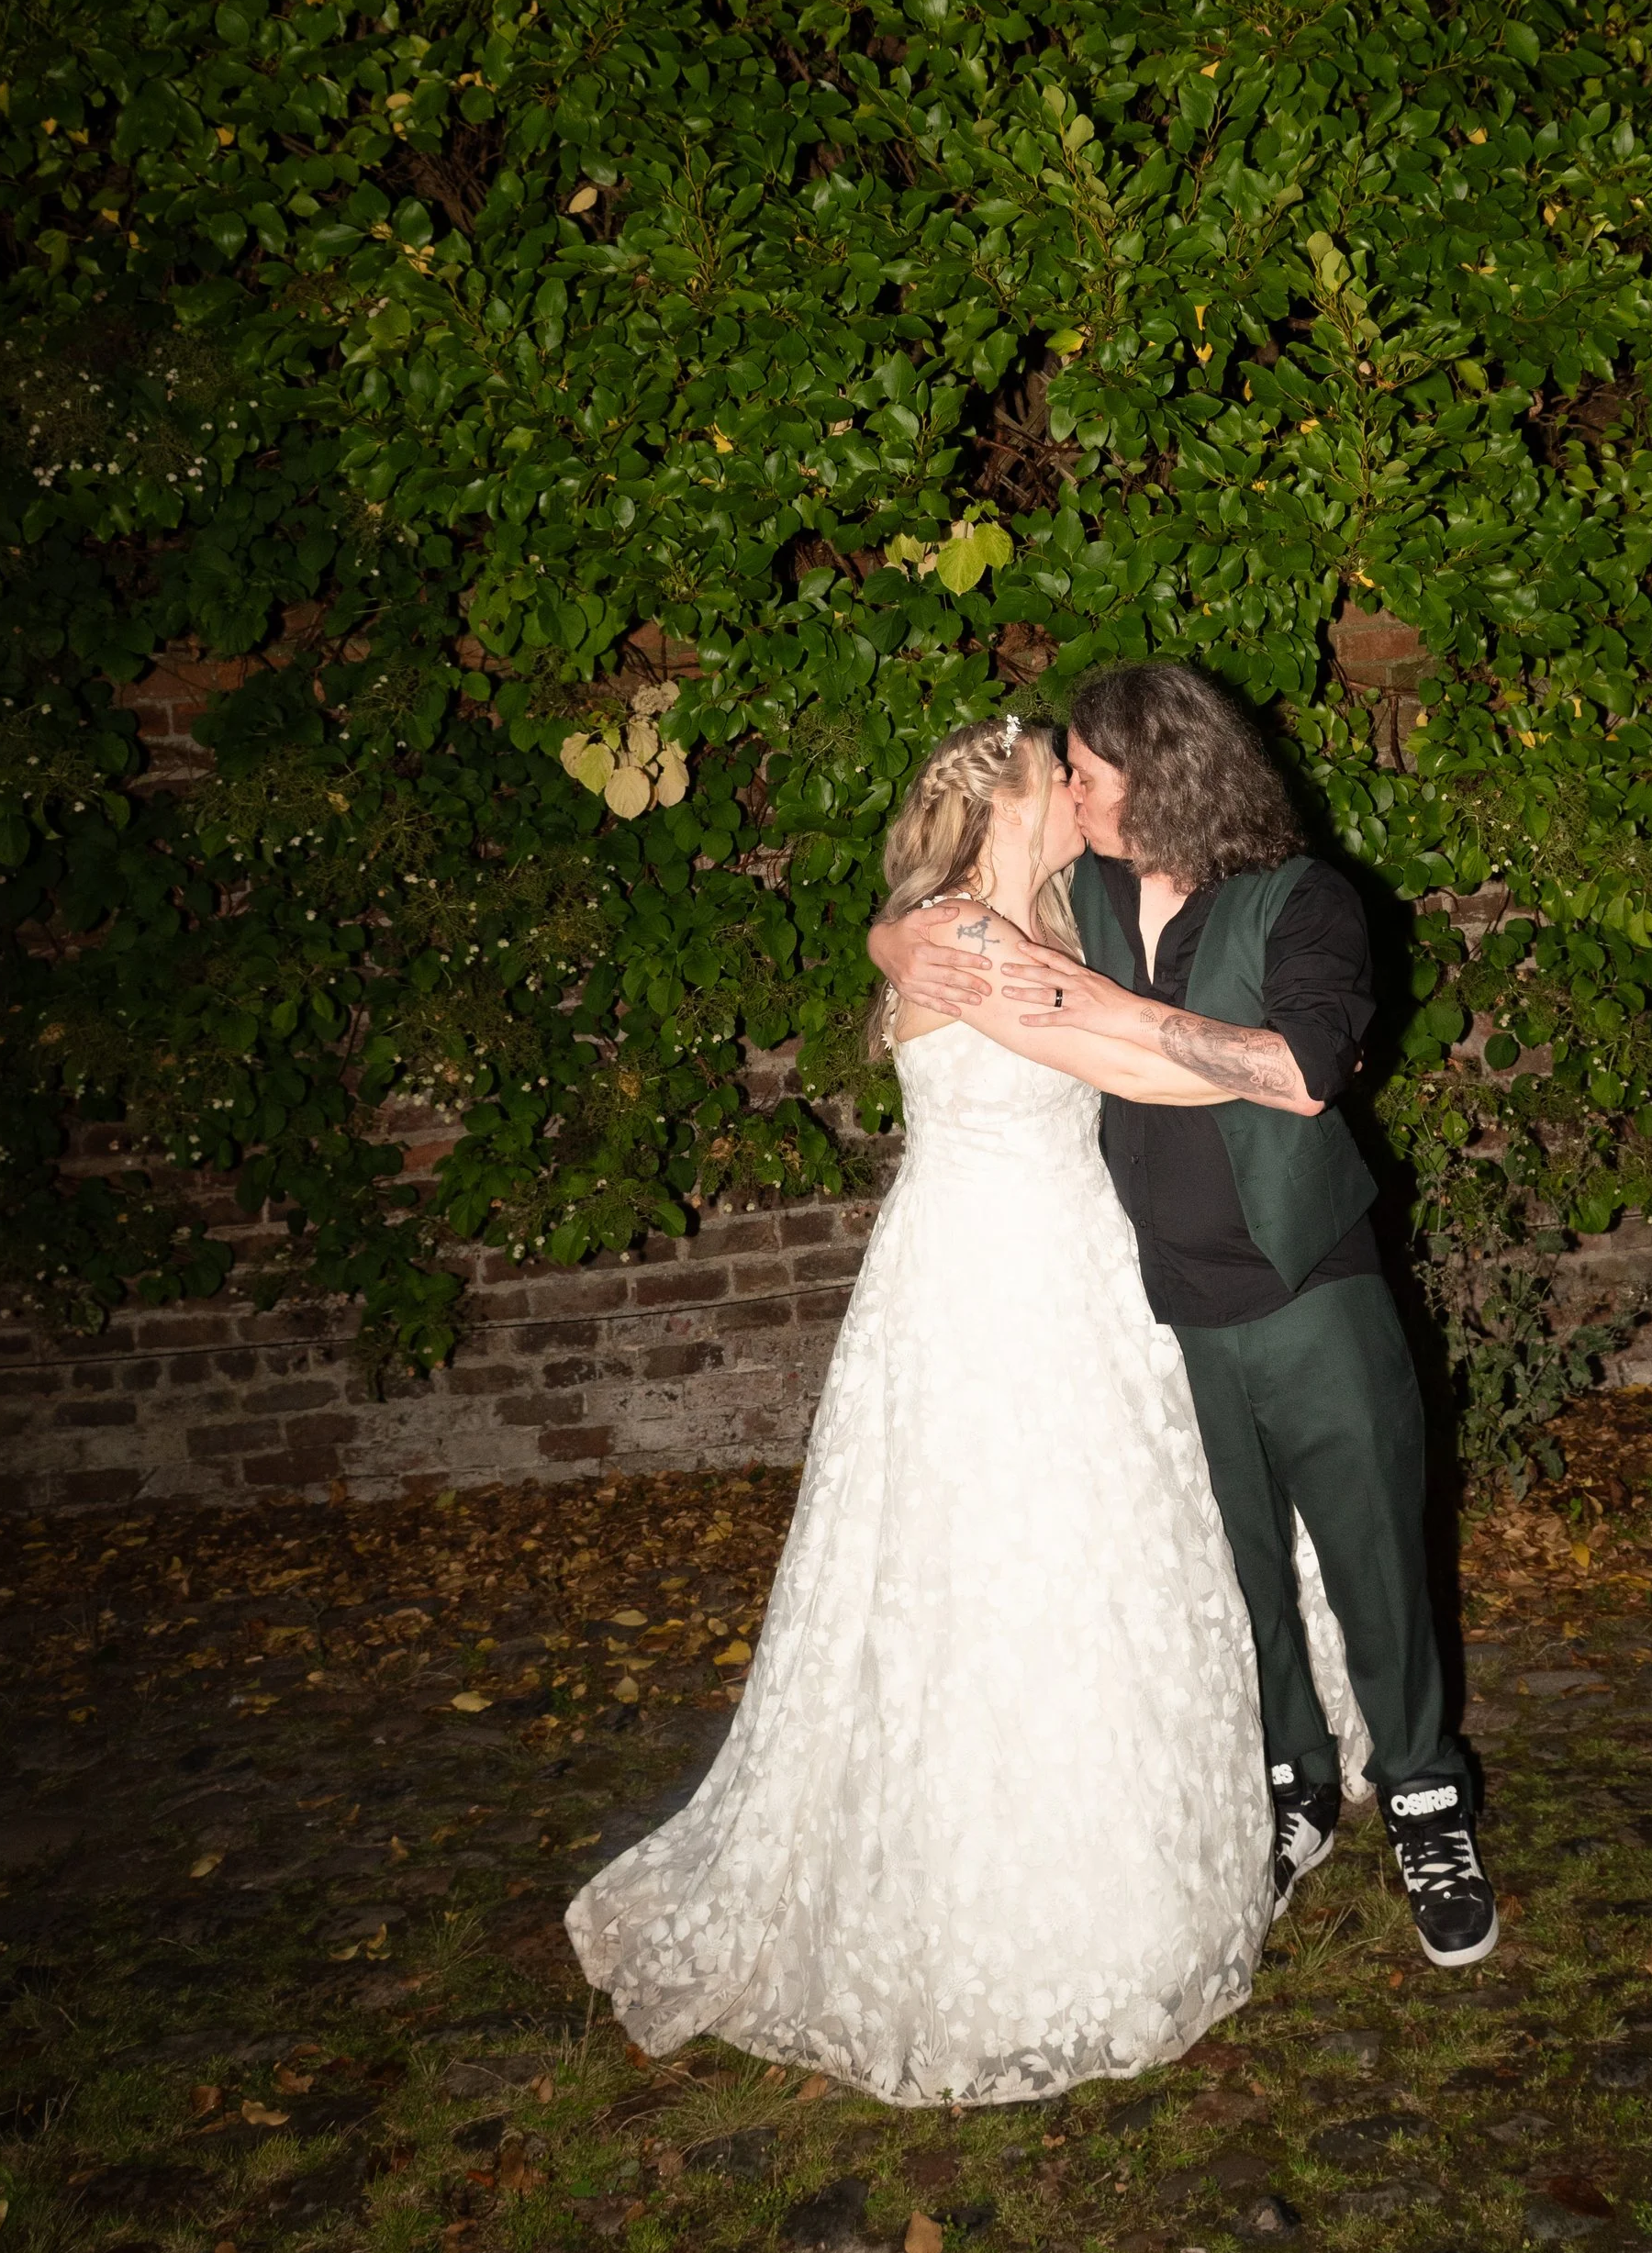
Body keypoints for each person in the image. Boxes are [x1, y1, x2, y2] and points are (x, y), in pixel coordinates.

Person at [565, 712, 1334, 2103]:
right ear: (1011, 805)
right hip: (984, 1286)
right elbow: (1138, 1071)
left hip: (1083, 1262)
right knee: (992, 1576)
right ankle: (1021, 1905)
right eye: (1065, 778)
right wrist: (1272, 1070)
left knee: (1123, 1561)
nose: (1088, 796)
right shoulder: (964, 939)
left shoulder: (1064, 913)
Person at [870, 662, 1495, 1969]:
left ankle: (1430, 1803)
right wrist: (895, 936)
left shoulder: (1304, 902)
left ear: (1159, 776)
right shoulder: (1086, 889)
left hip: (1306, 1288)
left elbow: (1302, 1073)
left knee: (1373, 1554)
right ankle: (1297, 1788)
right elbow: (946, 928)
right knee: (1238, 1574)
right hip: (1161, 1304)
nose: (1077, 793)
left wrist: (1112, 1008)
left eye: (1089, 774)